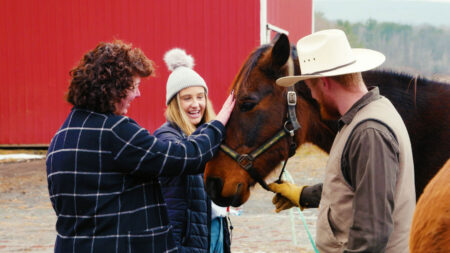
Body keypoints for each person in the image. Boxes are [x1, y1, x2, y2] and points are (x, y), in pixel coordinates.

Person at [45, 40, 235, 253]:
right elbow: (184, 157)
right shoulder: (115, 131)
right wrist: (218, 125)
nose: (138, 94)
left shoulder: (60, 138)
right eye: (134, 87)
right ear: (113, 88)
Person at [270, 29, 416, 253]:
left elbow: (371, 236)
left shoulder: (369, 132)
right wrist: (302, 195)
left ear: (325, 83)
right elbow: (356, 188)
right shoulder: (364, 117)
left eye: (310, 88)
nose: (314, 97)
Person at [154, 48, 231, 253]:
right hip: (184, 240)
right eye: (187, 98)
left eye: (200, 96)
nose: (196, 104)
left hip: (214, 230)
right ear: (174, 103)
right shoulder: (166, 137)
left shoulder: (209, 135)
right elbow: (189, 155)